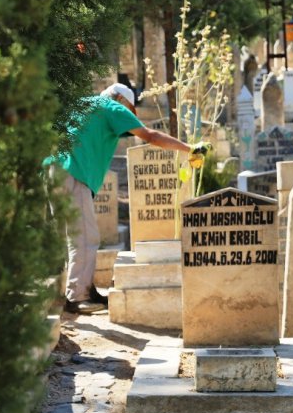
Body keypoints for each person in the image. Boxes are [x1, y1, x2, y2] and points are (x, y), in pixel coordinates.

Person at [46, 83, 206, 314]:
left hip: (53, 170)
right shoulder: (112, 106)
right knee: (85, 237)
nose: (131, 115)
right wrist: (189, 148)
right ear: (121, 98)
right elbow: (150, 135)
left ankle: (82, 290)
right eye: (131, 109)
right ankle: (77, 296)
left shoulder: (83, 104)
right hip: (74, 173)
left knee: (68, 235)